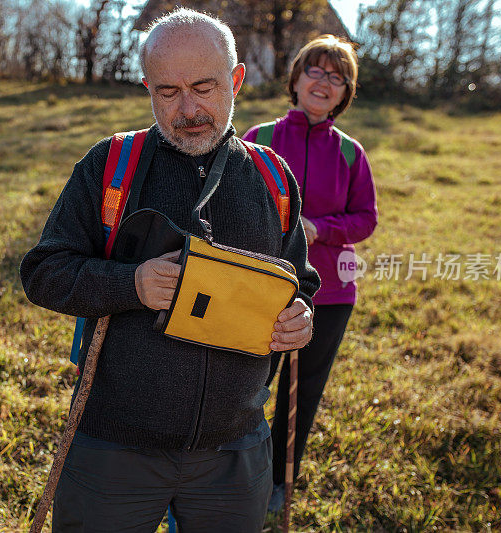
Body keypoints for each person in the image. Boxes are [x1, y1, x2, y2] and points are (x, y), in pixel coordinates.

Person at [20, 9, 320, 533]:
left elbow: (300, 280)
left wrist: (301, 316)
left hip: (236, 451)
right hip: (113, 447)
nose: (188, 110)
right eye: (167, 92)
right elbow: (44, 271)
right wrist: (129, 284)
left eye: (204, 88)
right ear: (147, 89)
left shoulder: (273, 178)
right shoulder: (111, 164)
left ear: (237, 80)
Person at [243, 34, 378, 512]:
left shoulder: (350, 153)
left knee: (301, 393)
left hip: (331, 295)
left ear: (345, 93)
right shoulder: (257, 139)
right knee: (248, 385)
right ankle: (233, 475)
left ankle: (280, 483)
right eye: (315, 71)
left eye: (336, 77)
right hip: (260, 287)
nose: (324, 82)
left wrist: (318, 228)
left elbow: (366, 218)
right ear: (296, 80)